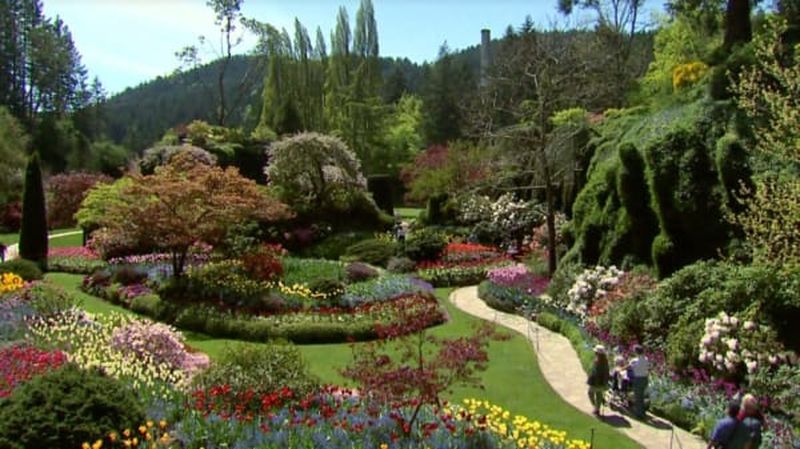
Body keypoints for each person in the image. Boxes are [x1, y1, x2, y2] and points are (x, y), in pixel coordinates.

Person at [587, 344, 610, 416]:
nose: (595, 353)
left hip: (597, 381)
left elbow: (604, 372)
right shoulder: (601, 360)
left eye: (596, 352)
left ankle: (596, 408)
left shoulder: (602, 361)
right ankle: (597, 408)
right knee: (598, 394)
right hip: (599, 381)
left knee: (591, 393)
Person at [627, 344, 649, 419]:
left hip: (638, 379)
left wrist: (621, 369)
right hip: (645, 379)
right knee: (642, 396)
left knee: (638, 397)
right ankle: (642, 412)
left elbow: (629, 367)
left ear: (636, 352)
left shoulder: (635, 361)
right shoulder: (646, 359)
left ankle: (639, 414)